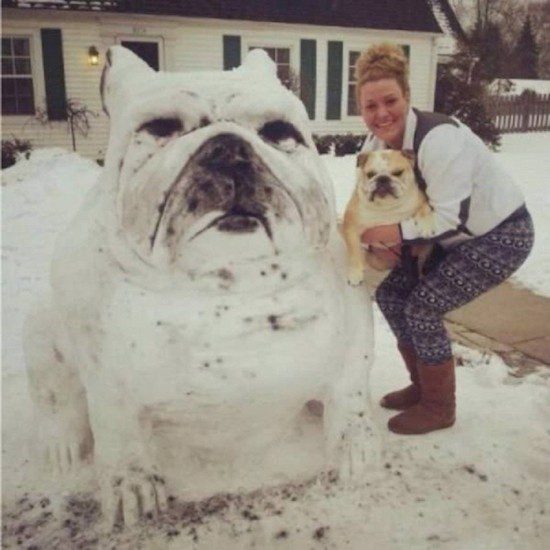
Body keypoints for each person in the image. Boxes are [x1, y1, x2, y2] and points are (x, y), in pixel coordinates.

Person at [355, 43, 534, 435]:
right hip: (447, 239)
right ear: (361, 110)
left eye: (390, 101)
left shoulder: (439, 139)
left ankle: (439, 407)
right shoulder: (374, 147)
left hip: (501, 234)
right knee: (391, 296)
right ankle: (423, 387)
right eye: (370, 106)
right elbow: (369, 202)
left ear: (407, 96)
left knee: (423, 307)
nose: (381, 113)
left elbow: (451, 218)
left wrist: (394, 233)